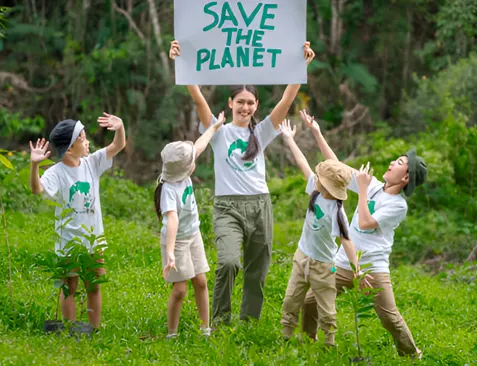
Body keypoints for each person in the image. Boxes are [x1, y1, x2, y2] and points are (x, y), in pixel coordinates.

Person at [168, 40, 316, 324]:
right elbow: (198, 99)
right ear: (230, 103)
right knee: (228, 262)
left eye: (250, 103)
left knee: (257, 269)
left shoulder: (261, 132)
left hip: (260, 205)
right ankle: (221, 321)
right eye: (240, 102)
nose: (245, 107)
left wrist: (300, 67)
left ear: (256, 105)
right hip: (227, 207)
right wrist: (181, 62)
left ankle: (249, 322)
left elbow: (286, 102)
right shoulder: (218, 131)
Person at [299, 110, 426, 358]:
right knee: (310, 301)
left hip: (372, 269)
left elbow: (367, 222)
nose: (392, 163)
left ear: (406, 178)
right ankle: (309, 342)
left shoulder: (398, 205)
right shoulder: (376, 185)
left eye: (399, 163)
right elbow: (338, 168)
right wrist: (317, 133)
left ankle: (412, 354)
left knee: (389, 317)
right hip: (343, 263)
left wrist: (364, 188)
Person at [28, 113, 126, 329]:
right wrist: (34, 166)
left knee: (94, 286)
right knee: (68, 288)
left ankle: (94, 329)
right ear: (70, 148)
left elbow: (117, 146)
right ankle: (69, 330)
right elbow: (37, 189)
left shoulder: (92, 163)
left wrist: (119, 128)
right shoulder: (56, 172)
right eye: (82, 138)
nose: (87, 141)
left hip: (93, 241)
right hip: (69, 242)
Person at [276, 120, 359, 346]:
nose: (316, 178)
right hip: (302, 257)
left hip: (324, 265)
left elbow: (347, 241)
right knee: (291, 299)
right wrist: (289, 138)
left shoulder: (337, 212)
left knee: (326, 307)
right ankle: (285, 337)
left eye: (320, 178)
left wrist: (356, 267)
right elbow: (302, 162)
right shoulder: (315, 189)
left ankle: (329, 342)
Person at [154, 112, 226, 339]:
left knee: (201, 281)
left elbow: (199, 145)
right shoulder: (168, 189)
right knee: (180, 289)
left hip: (193, 234)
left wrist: (214, 127)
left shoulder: (181, 172)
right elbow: (172, 220)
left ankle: (205, 330)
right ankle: (172, 333)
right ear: (185, 168)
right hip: (176, 241)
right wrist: (170, 252)